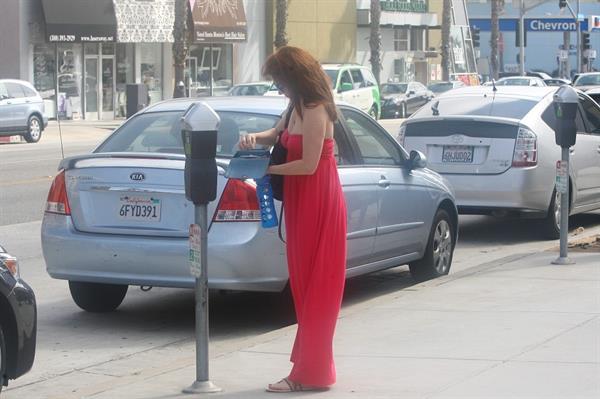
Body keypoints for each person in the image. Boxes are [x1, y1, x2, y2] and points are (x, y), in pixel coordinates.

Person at [239, 46, 347, 393]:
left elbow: (309, 165)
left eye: (280, 80)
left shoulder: (317, 110)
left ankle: (309, 374)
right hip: (302, 202)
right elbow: (278, 135)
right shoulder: (295, 107)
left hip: (319, 199)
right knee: (304, 285)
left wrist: (265, 168)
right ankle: (311, 368)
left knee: (318, 287)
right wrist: (255, 138)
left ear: (295, 77)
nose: (278, 87)